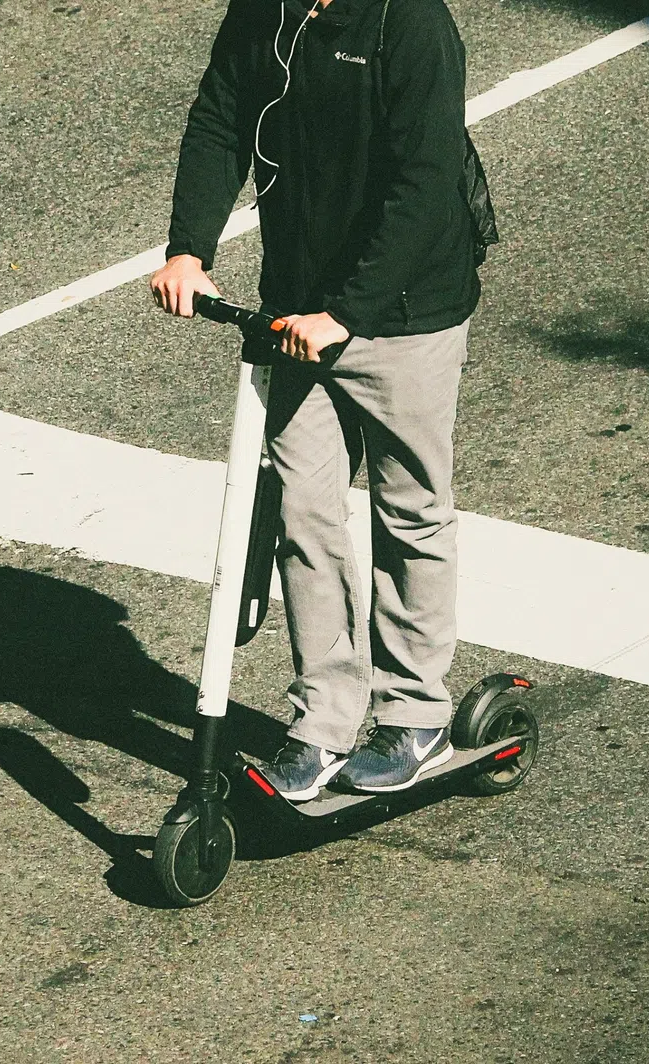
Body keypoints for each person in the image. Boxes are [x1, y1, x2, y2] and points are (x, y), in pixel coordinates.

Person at [151, 0, 480, 800]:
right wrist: (189, 248)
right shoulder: (265, 8)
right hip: (293, 312)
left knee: (409, 510)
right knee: (303, 511)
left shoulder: (410, 24)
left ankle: (416, 716)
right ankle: (325, 719)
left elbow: (428, 181)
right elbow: (221, 118)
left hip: (401, 314)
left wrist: (347, 314)